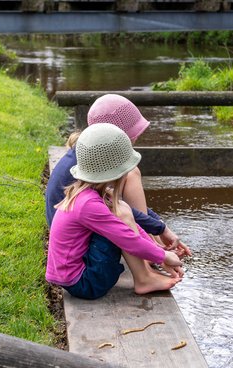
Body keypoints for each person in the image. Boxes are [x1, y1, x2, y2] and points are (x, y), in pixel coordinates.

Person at [46, 124, 183, 300]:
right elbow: (127, 237)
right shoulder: (89, 205)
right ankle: (144, 279)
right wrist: (162, 255)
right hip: (83, 283)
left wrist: (157, 251)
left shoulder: (85, 192)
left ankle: (145, 275)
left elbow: (131, 227)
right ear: (116, 173)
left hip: (75, 275)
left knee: (123, 211)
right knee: (121, 215)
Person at [45, 93, 191, 258]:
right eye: (132, 135)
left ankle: (153, 242)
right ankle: (150, 249)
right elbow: (117, 209)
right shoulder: (95, 167)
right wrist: (158, 233)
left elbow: (117, 204)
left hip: (76, 234)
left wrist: (161, 227)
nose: (136, 139)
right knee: (131, 173)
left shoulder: (89, 151)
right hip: (79, 247)